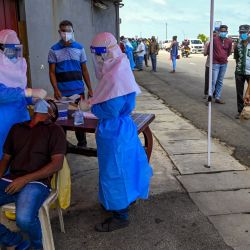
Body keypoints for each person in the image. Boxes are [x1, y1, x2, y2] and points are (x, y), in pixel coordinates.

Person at [89, 32, 153, 232]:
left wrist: (90, 107)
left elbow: (111, 108)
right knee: (126, 167)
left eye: (98, 54)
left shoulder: (114, 74)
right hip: (122, 129)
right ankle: (124, 201)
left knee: (115, 171)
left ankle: (120, 215)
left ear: (105, 52)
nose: (97, 59)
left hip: (114, 131)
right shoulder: (121, 65)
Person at [0, 99, 66, 249]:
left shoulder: (55, 130)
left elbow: (57, 164)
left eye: (50, 104)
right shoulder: (17, 128)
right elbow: (5, 158)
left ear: (51, 113)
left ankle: (36, 246)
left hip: (37, 183)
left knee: (23, 219)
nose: (43, 102)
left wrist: (24, 179)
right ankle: (11, 239)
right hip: (11, 180)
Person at [0, 29, 47, 159]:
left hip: (21, 119)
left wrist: (34, 99)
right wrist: (28, 92)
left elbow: (21, 95)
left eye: (17, 48)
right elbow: (2, 95)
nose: (14, 52)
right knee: (4, 158)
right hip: (3, 122)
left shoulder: (19, 65)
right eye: (10, 49)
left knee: (20, 157)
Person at [48, 20, 93, 147]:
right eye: (63, 31)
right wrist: (56, 89)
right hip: (61, 92)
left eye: (68, 31)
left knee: (79, 118)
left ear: (73, 32)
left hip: (78, 91)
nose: (66, 33)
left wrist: (90, 88)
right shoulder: (53, 50)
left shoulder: (80, 48)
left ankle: (82, 144)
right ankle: (62, 146)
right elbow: (51, 72)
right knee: (62, 120)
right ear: (59, 32)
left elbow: (84, 70)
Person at [209, 25, 232, 104]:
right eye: (221, 31)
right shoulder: (214, 40)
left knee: (220, 81)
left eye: (224, 31)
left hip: (224, 64)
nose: (223, 32)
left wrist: (223, 57)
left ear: (227, 32)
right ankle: (210, 97)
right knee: (213, 81)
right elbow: (209, 49)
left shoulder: (229, 41)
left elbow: (229, 52)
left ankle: (217, 97)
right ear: (219, 32)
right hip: (215, 63)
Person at [234, 24, 250, 119]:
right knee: (239, 93)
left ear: (248, 33)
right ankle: (240, 111)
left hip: (249, 72)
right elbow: (236, 58)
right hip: (239, 72)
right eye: (241, 32)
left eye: (244, 32)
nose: (242, 34)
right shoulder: (237, 44)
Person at [203, 31, 218, 99]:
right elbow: (205, 53)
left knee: (213, 80)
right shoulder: (208, 43)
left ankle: (210, 94)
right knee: (210, 80)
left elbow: (205, 53)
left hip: (215, 64)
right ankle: (208, 94)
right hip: (210, 64)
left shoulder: (208, 42)